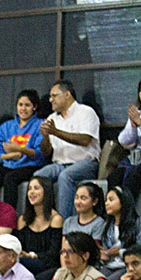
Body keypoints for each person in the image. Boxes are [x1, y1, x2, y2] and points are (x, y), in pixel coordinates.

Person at [40, 80, 100, 218]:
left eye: (54, 95)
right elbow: (46, 151)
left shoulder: (86, 112)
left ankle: (64, 223)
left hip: (86, 163)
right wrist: (45, 136)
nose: (50, 100)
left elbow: (85, 140)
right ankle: (44, 222)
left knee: (65, 176)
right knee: (39, 177)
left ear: (67, 94)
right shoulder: (52, 118)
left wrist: (56, 132)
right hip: (59, 164)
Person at [0, 89, 47, 207]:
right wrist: (10, 155)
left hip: (31, 165)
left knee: (10, 178)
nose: (23, 108)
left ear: (34, 107)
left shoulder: (41, 125)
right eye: (20, 105)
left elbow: (41, 154)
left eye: (27, 105)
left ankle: (9, 215)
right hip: (9, 165)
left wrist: (20, 149)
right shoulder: (6, 126)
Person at [97, 186, 141, 280]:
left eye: (111, 200)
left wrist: (120, 253)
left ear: (123, 201)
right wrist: (104, 254)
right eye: (106, 200)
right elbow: (106, 249)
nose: (106, 203)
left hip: (128, 266)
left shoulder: (137, 222)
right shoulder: (107, 225)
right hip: (110, 265)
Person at [14, 175, 62, 278]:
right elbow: (19, 247)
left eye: (36, 188)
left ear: (46, 191)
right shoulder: (23, 219)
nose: (31, 192)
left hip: (48, 265)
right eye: (29, 189)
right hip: (26, 263)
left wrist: (32, 256)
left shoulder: (56, 219)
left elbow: (54, 253)